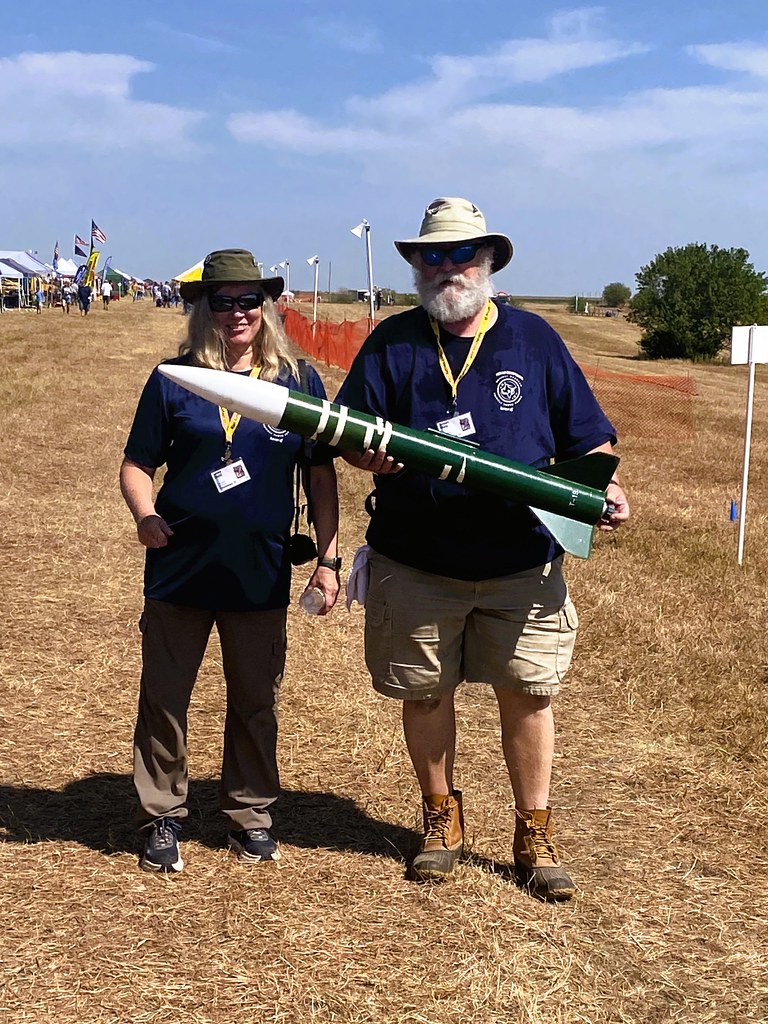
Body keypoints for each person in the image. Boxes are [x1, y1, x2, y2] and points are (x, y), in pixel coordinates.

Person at [336, 198, 629, 900]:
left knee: (528, 693)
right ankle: (441, 820)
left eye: (460, 254)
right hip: (417, 560)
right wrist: (363, 455)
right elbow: (348, 433)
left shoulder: (533, 340)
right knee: (425, 691)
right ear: (415, 265)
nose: (445, 267)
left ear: (488, 260)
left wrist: (607, 487)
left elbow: (590, 438)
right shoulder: (391, 342)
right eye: (430, 255)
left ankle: (534, 831)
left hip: (520, 564)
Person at [120, 249, 341, 874]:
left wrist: (327, 557)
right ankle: (161, 813)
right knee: (165, 695)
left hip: (260, 571)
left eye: (249, 300)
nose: (237, 312)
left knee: (255, 699)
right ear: (203, 308)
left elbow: (320, 476)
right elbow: (137, 463)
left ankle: (250, 813)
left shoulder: (297, 383)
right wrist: (145, 517)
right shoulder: (173, 378)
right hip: (179, 568)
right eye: (223, 301)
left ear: (265, 308)